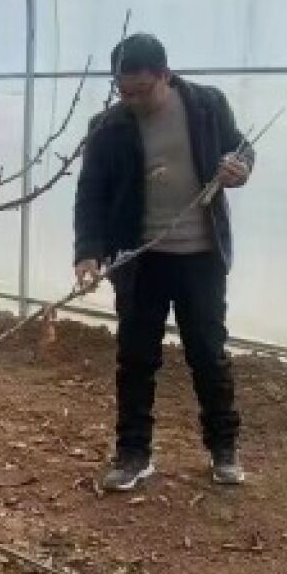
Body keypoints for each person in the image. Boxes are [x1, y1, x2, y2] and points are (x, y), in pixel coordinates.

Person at [73, 33, 255, 491]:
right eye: (123, 91)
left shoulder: (208, 106)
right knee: (135, 359)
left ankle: (223, 449)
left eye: (141, 91)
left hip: (201, 257)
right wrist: (88, 254)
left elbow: (241, 149)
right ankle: (133, 454)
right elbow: (90, 194)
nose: (131, 100)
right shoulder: (107, 127)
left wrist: (240, 170)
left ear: (165, 75)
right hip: (140, 260)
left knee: (208, 354)